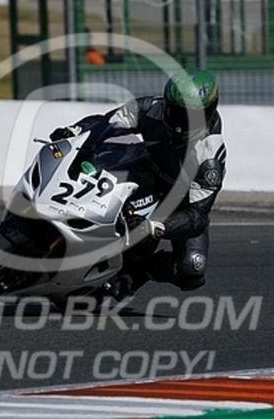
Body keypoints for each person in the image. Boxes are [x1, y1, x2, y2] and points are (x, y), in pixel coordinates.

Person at [50, 68, 226, 292]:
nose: (182, 123)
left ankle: (139, 271)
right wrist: (75, 130)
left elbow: (198, 215)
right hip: (144, 177)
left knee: (192, 268)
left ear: (209, 112)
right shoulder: (149, 108)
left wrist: (154, 227)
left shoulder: (210, 154)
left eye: (191, 116)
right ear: (166, 103)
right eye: (177, 113)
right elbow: (106, 123)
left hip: (181, 204)